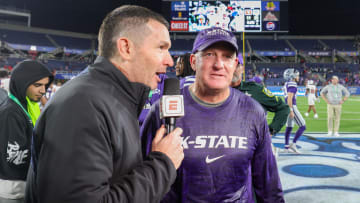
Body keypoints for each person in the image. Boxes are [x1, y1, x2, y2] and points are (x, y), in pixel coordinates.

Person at [25, 5, 184, 203]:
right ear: (126, 48)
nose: (170, 60)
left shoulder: (112, 98)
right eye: (161, 48)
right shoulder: (83, 104)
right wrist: (162, 164)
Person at [141, 27, 284, 202]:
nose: (219, 64)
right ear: (193, 61)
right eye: (209, 54)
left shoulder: (252, 111)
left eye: (227, 56)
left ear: (235, 65)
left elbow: (268, 186)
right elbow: (140, 178)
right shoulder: (163, 110)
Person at [0, 60, 53, 203]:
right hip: (12, 191)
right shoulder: (11, 112)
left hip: (22, 187)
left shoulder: (27, 105)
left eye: (45, 85)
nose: (43, 90)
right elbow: (14, 158)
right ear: (23, 83)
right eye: (37, 85)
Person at [231, 55, 290, 156]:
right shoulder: (215, 91)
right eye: (229, 64)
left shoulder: (255, 90)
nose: (232, 69)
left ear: (242, 69)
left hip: (254, 150)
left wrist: (271, 130)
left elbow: (283, 108)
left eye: (236, 65)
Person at [283, 68, 306, 154]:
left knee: (289, 127)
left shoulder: (287, 83)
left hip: (286, 106)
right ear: (292, 76)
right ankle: (293, 144)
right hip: (291, 106)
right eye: (297, 75)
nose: (298, 77)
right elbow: (289, 98)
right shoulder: (292, 83)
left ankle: (286, 147)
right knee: (302, 126)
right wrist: (291, 110)